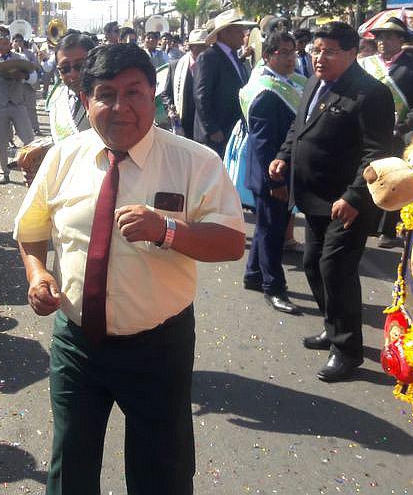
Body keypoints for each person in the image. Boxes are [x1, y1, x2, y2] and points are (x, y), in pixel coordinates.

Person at [14, 43, 246, 495]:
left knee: (162, 469)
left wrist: (167, 230)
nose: (121, 107)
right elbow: (31, 228)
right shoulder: (64, 157)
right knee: (70, 466)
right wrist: (37, 274)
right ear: (86, 101)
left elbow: (232, 242)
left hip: (158, 345)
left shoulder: (196, 162)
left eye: (134, 93)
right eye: (106, 94)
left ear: (154, 95)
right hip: (77, 342)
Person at [268, 21, 394, 382]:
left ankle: (347, 349)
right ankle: (331, 325)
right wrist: (284, 155)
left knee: (336, 270)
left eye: (330, 52)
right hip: (314, 197)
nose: (320, 58)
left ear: (352, 54)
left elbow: (377, 153)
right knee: (313, 264)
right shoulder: (314, 81)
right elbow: (299, 127)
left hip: (347, 201)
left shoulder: (370, 94)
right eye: (316, 50)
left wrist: (354, 195)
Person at [231, 31, 306, 314]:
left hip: (287, 170)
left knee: (268, 226)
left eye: (292, 52)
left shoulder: (295, 82)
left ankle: (253, 274)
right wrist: (272, 181)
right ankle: (274, 287)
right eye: (282, 53)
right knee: (272, 232)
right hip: (272, 174)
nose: (289, 58)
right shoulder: (265, 91)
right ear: (267, 56)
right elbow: (263, 145)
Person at [359, 17, 413, 249]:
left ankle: (387, 229)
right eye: (379, 37)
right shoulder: (366, 64)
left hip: (396, 133)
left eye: (389, 36)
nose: (382, 41)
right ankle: (365, 222)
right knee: (367, 174)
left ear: (401, 40)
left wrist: (403, 126)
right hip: (366, 131)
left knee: (393, 180)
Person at [0, 25, 37, 184]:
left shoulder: (21, 58)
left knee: (29, 139)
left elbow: (34, 78)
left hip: (18, 103)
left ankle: (32, 169)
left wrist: (23, 75)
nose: (4, 42)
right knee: (1, 142)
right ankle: (4, 172)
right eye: (0, 39)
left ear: (10, 41)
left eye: (6, 39)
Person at [193, 12, 252, 156]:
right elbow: (201, 95)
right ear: (225, 33)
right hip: (216, 135)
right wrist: (212, 127)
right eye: (238, 31)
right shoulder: (209, 57)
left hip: (231, 130)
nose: (243, 36)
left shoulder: (234, 57)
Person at [48, 31, 97, 143]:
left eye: (80, 66)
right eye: (65, 69)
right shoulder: (56, 98)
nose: (73, 74)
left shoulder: (109, 98)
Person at [159, 29, 207, 140]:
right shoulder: (176, 66)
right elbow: (166, 94)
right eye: (199, 47)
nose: (203, 50)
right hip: (183, 123)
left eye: (205, 47)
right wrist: (170, 109)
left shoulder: (211, 66)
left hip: (204, 127)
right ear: (191, 47)